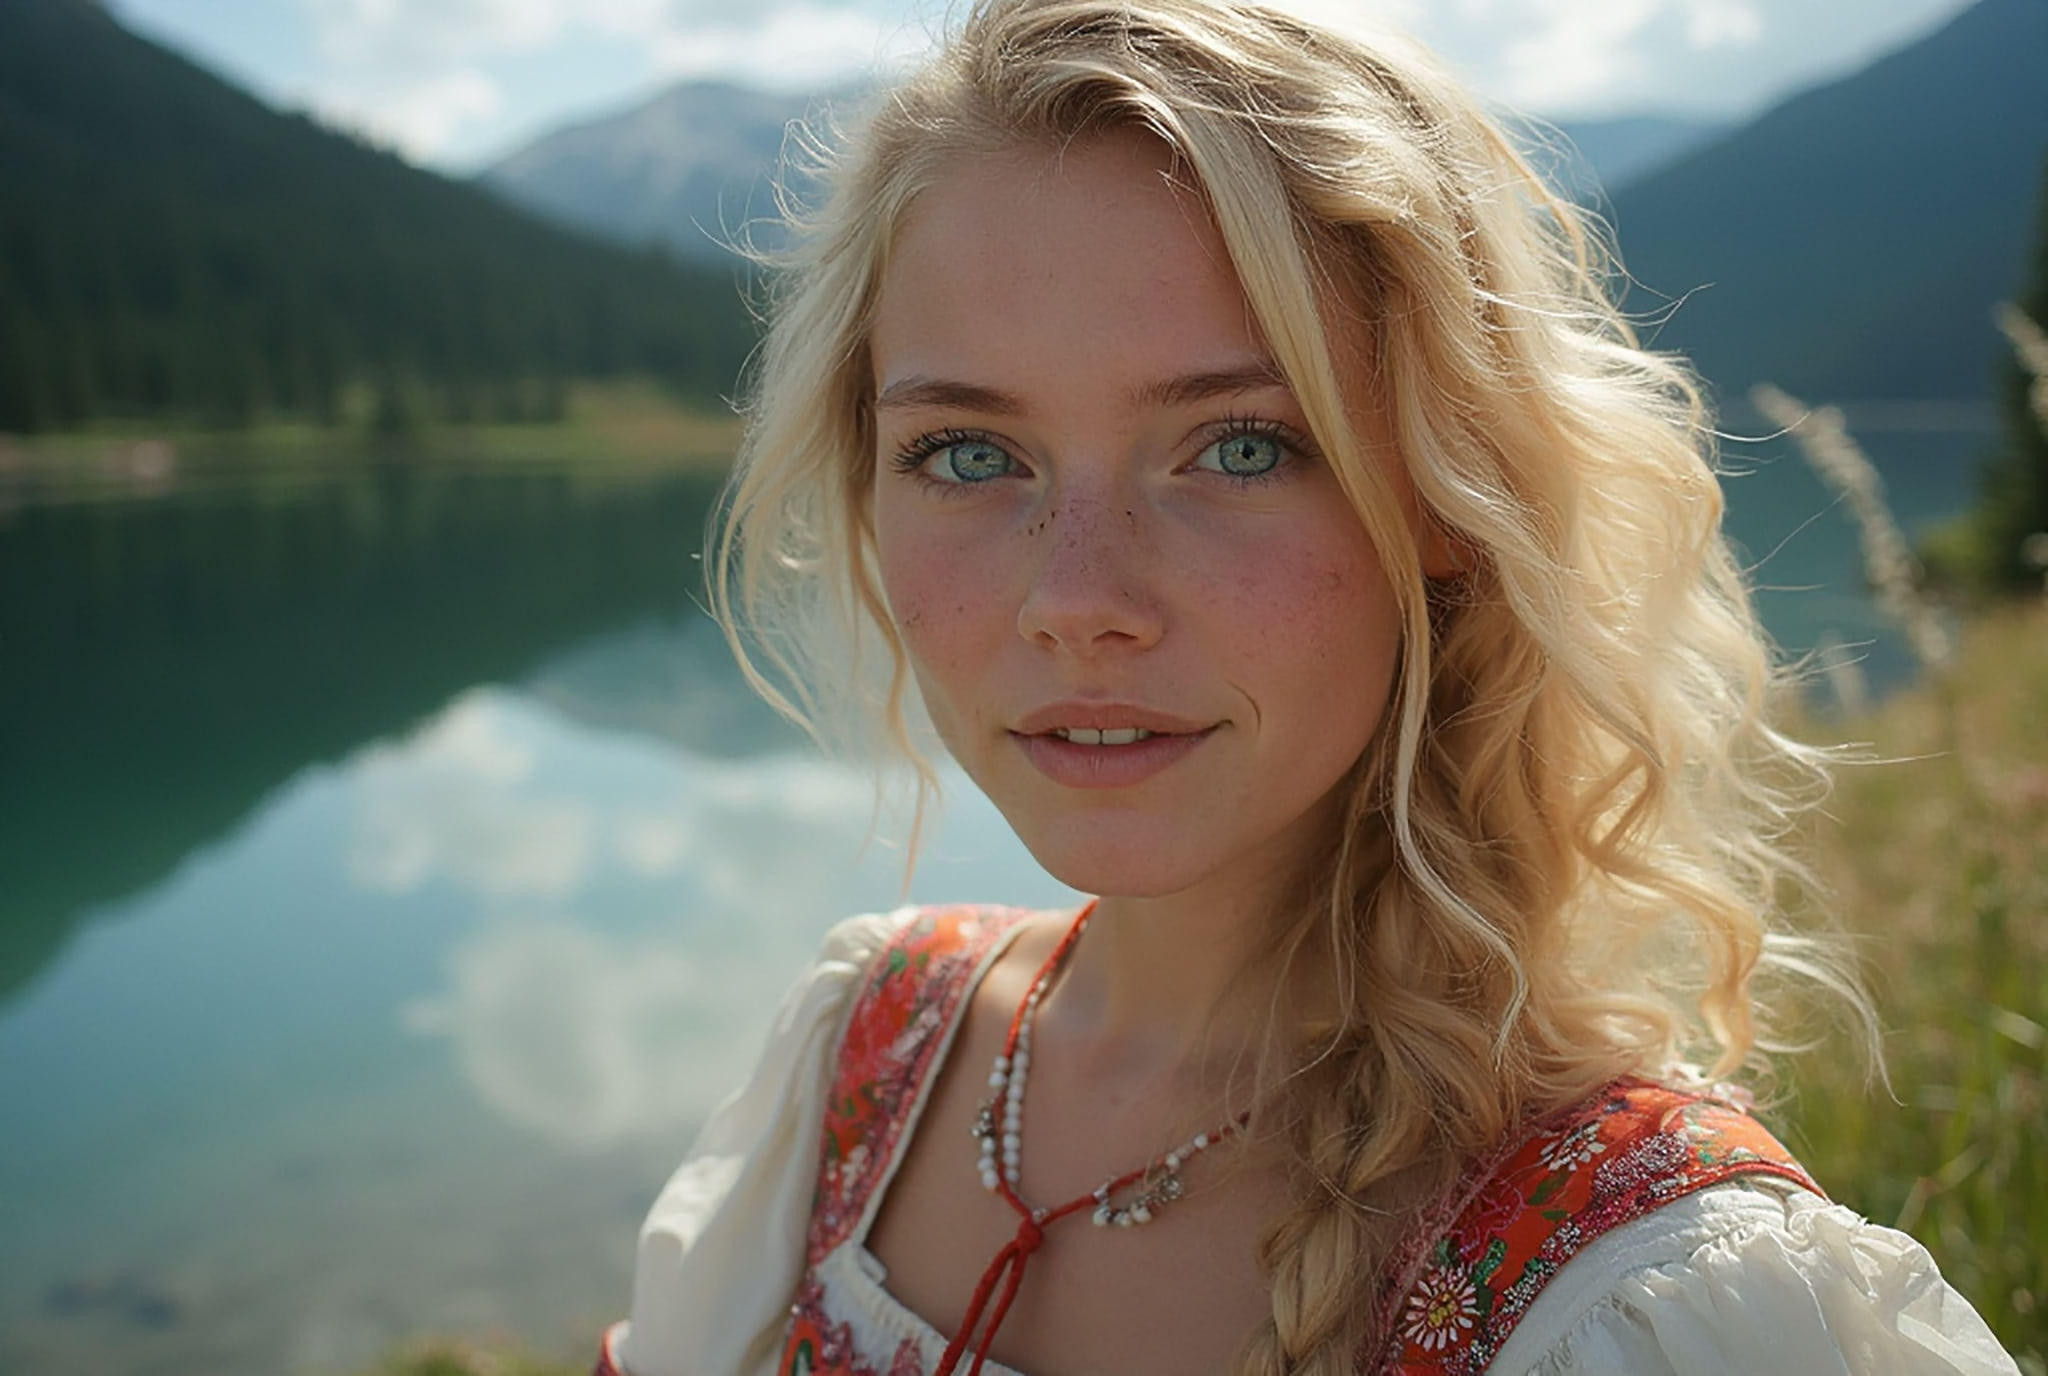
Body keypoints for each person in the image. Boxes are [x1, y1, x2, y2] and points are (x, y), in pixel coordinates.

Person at [596, 0, 2020, 1372]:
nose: (1077, 601)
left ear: (1449, 504)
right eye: (970, 455)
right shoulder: (865, 1055)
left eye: (1239, 447)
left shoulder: (1643, 1290)